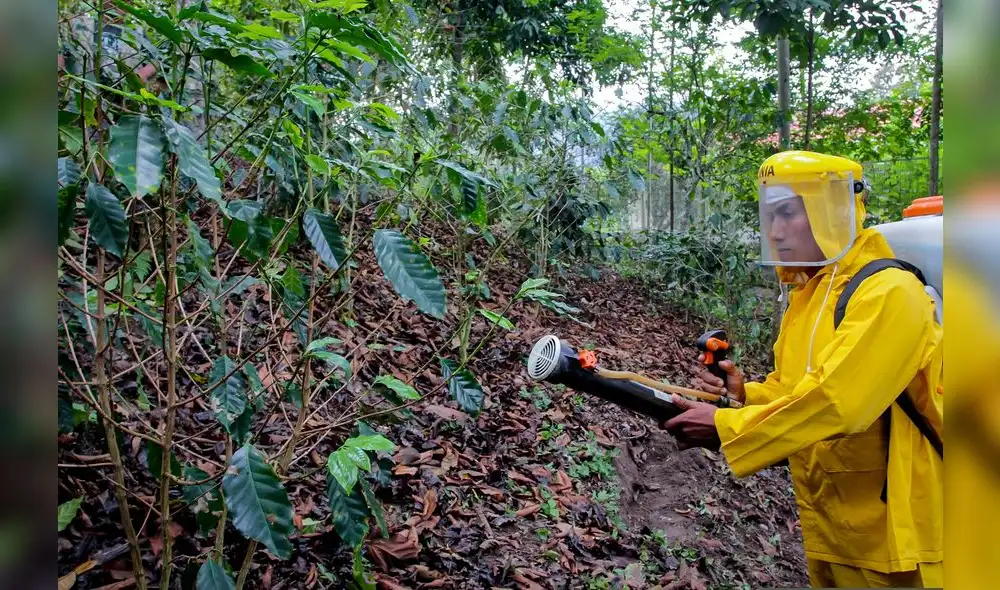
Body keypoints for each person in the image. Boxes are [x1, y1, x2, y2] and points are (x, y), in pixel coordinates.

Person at [662, 151, 943, 588]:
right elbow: (799, 388)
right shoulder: (809, 295)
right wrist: (747, 396)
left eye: (788, 213)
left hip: (898, 539)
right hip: (832, 523)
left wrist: (727, 427)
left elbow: (838, 401)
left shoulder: (890, 293)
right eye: (769, 215)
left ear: (830, 210)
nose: (775, 231)